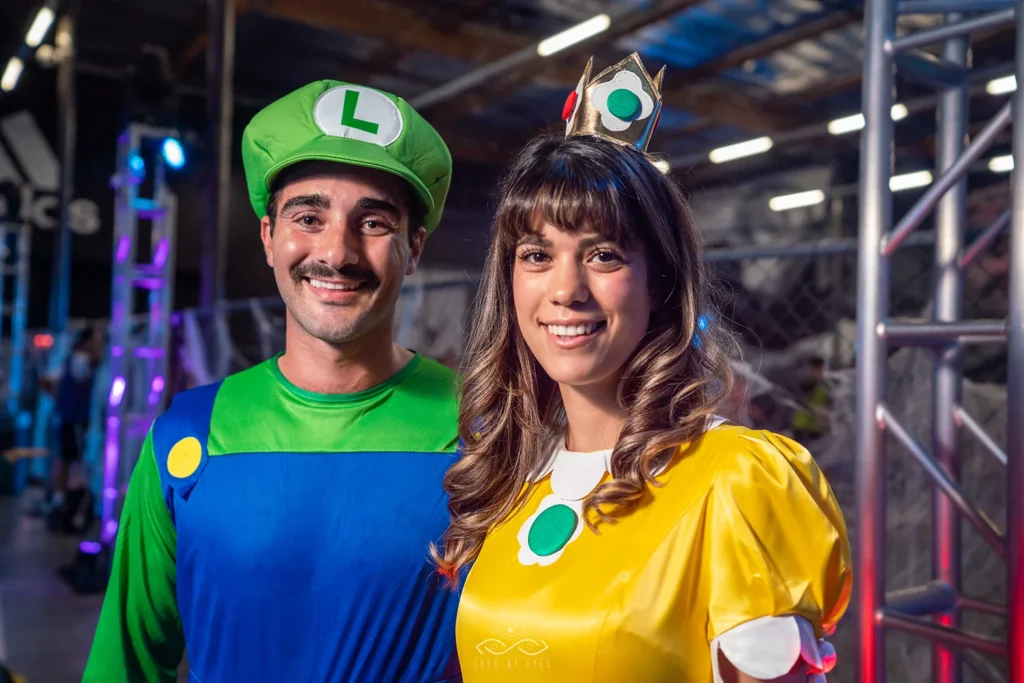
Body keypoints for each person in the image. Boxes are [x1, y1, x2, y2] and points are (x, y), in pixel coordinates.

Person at [432, 54, 851, 683]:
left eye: (603, 254)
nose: (565, 289)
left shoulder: (737, 481)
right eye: (537, 254)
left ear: (659, 280)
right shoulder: (509, 487)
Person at [85, 80, 462, 682]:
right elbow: (122, 667)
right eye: (308, 216)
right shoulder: (187, 436)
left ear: (413, 248)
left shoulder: (487, 433)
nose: (336, 253)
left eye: (373, 222)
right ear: (269, 237)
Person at [38, 327, 102, 522]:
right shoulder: (82, 359)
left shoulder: (70, 357)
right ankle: (66, 500)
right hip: (74, 418)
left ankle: (60, 498)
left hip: (68, 416)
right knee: (72, 460)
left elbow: (48, 380)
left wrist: (58, 397)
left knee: (65, 458)